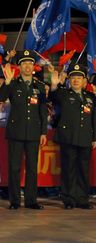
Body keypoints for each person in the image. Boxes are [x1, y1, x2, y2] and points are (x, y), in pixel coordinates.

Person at [0, 50, 48, 210]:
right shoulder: (13, 82)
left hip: (33, 131)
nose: (27, 65)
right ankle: (15, 201)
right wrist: (7, 82)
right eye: (24, 63)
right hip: (16, 131)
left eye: (30, 63)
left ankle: (32, 200)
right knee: (14, 167)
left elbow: (43, 109)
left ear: (33, 66)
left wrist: (43, 132)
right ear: (19, 66)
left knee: (32, 167)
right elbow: (0, 98)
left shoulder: (39, 86)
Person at [50, 64, 95, 210]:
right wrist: (54, 86)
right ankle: (68, 199)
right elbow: (53, 97)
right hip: (68, 137)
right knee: (69, 169)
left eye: (79, 78)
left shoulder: (90, 97)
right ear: (69, 80)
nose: (75, 80)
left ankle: (82, 199)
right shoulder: (63, 94)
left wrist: (94, 137)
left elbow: (94, 118)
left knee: (83, 169)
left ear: (84, 81)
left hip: (85, 138)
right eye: (73, 78)